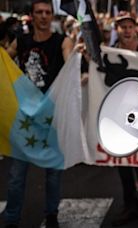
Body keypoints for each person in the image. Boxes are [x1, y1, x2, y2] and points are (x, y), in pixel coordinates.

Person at [4, 1, 73, 227]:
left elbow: (70, 60)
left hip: (50, 117)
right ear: (32, 16)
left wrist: (78, 59)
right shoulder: (22, 41)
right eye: (39, 12)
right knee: (16, 175)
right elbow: (6, 57)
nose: (44, 16)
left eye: (48, 12)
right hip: (24, 118)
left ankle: (51, 215)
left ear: (52, 16)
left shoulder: (61, 41)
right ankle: (12, 218)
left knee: (53, 172)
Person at [110, 12, 138, 227]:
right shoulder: (109, 53)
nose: (126, 30)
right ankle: (130, 206)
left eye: (130, 26)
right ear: (116, 29)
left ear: (136, 28)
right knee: (124, 165)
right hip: (119, 118)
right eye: (122, 26)